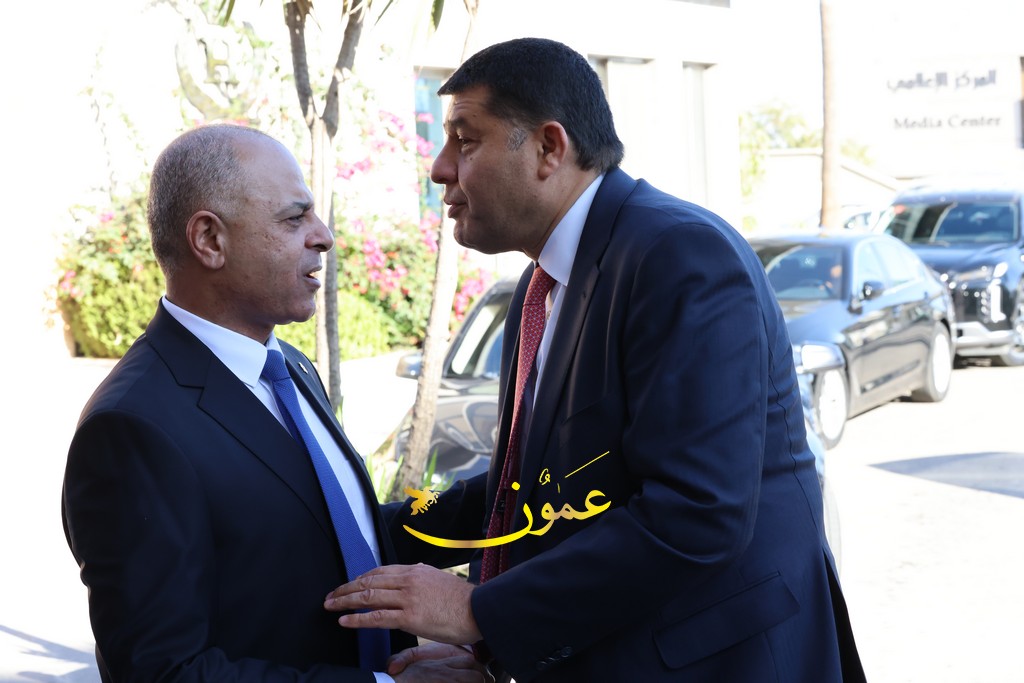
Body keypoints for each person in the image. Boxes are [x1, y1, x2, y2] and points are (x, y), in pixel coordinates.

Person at [324, 38, 867, 682]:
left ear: (549, 148)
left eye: (465, 141)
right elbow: (535, 487)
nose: (441, 169)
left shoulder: (679, 257)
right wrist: (362, 537)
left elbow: (697, 513)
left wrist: (480, 613)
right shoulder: (542, 286)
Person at [61, 124, 485, 682]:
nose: (323, 236)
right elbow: (164, 670)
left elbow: (330, 534)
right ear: (210, 240)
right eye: (294, 218)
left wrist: (501, 491)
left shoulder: (288, 367)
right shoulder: (132, 428)